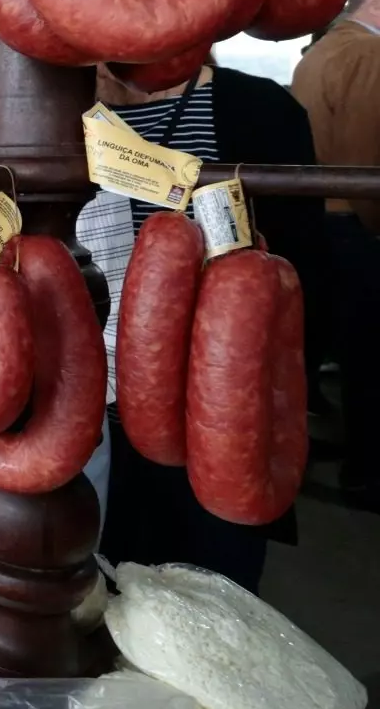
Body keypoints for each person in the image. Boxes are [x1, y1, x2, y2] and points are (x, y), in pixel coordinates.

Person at [92, 60, 327, 590]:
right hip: (97, 421)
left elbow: (302, 281)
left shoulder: (261, 109)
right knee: (108, 599)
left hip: (224, 418)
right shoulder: (53, 113)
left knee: (215, 594)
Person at [290, 0, 380, 510]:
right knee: (369, 355)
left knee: (337, 344)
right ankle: (368, 471)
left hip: (317, 222)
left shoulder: (319, 53)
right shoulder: (368, 56)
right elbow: (368, 163)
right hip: (355, 226)